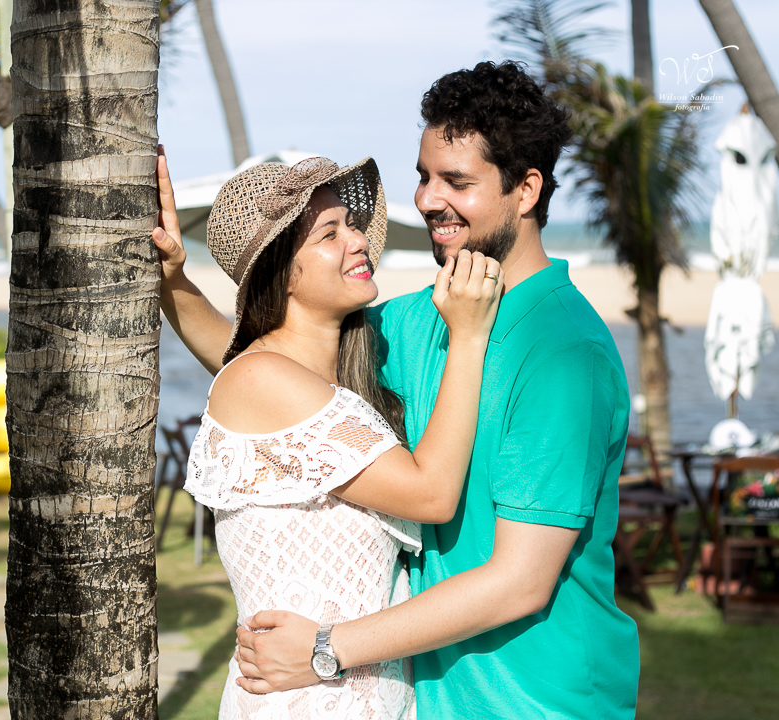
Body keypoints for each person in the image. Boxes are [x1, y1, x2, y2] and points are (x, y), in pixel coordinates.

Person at [156, 60, 639, 718]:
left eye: (456, 182)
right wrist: (175, 283)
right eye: (423, 175)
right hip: (425, 697)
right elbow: (278, 370)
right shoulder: (421, 320)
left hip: (533, 698)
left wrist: (326, 648)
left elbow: (519, 582)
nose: (428, 199)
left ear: (526, 191)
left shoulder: (563, 354)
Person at [154, 149, 503, 719]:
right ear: (282, 272)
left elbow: (236, 355)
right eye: (328, 233)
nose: (359, 240)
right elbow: (432, 495)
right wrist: (467, 337)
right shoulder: (264, 379)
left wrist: (175, 283)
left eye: (353, 224)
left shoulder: (315, 381)